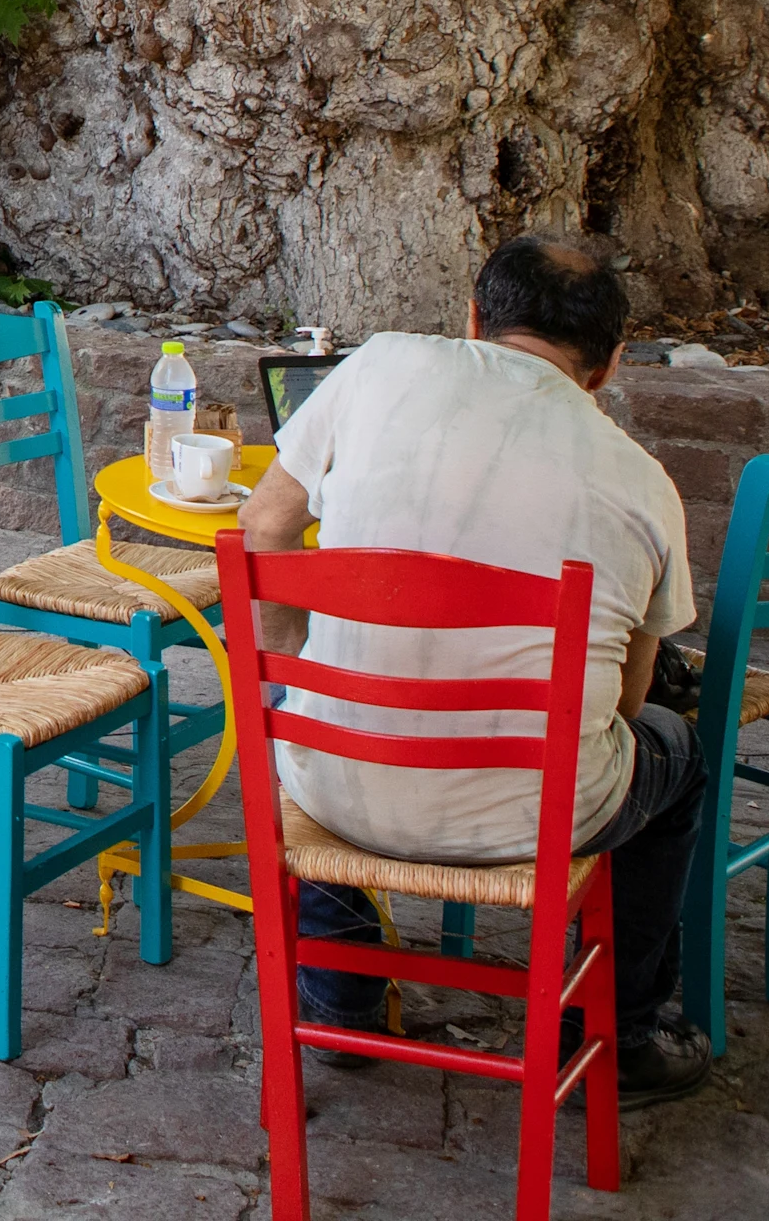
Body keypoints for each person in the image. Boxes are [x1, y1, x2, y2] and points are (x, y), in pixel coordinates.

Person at [235, 234, 716, 1105]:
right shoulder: (644, 485)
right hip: (538, 821)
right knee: (677, 753)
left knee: (295, 690)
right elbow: (629, 701)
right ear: (608, 366)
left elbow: (265, 529)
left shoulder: (380, 365)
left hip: (329, 788)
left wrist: (310, 668)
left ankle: (340, 1004)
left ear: (472, 319)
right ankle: (616, 1036)